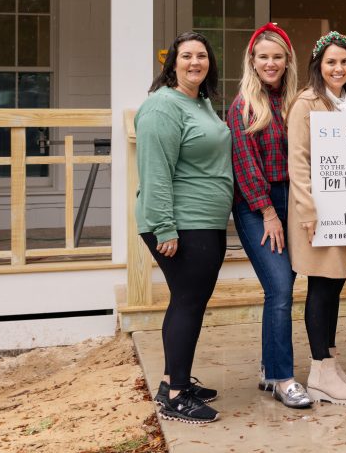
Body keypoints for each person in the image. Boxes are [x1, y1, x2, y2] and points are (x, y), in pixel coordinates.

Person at [136, 31, 232, 424]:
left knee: (188, 301)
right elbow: (155, 170)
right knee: (188, 303)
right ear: (172, 63)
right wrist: (165, 228)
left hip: (204, 221)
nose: (195, 62)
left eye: (202, 56)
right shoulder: (162, 106)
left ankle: (171, 380)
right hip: (182, 223)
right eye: (187, 56)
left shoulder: (201, 103)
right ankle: (176, 397)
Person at [227, 23, 311, 409]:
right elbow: (243, 164)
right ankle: (283, 378)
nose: (270, 63)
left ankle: (268, 367)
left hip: (290, 200)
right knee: (279, 288)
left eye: (277, 56)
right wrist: (268, 213)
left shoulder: (295, 102)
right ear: (252, 60)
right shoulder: (243, 105)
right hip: (256, 204)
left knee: (280, 289)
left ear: (287, 60)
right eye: (263, 56)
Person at [287, 31, 346, 405]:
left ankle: (330, 361)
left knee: (335, 287)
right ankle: (319, 370)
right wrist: (307, 211)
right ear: (318, 66)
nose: (338, 68)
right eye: (330, 62)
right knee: (322, 289)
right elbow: (299, 162)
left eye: (344, 62)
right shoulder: (306, 104)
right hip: (319, 216)